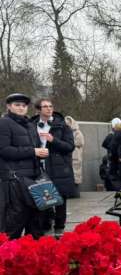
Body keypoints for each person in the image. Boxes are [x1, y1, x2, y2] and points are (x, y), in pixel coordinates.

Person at [0, 93, 45, 239]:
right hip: (15, 181)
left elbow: (35, 150)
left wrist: (40, 153)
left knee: (36, 223)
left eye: (24, 105)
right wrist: (33, 151)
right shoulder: (4, 123)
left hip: (34, 180)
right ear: (8, 106)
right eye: (17, 105)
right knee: (14, 223)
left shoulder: (30, 125)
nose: (21, 108)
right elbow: (4, 150)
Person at [31, 99, 77, 237]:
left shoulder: (63, 126)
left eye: (51, 106)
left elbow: (70, 147)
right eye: (45, 106)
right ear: (38, 109)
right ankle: (45, 224)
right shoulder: (31, 125)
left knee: (60, 200)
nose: (49, 109)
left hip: (59, 168)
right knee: (42, 199)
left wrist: (53, 140)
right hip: (39, 166)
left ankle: (59, 228)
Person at [65, 116, 84, 193]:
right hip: (68, 155)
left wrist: (70, 144)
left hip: (76, 154)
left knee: (76, 172)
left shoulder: (77, 132)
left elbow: (80, 143)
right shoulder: (65, 132)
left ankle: (75, 191)